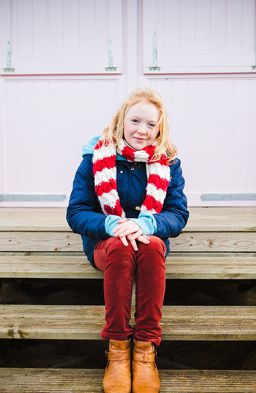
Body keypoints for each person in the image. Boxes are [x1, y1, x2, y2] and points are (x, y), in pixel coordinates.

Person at [67, 88, 189, 393]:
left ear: (160, 129)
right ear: (122, 120)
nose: (142, 131)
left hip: (149, 241)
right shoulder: (93, 159)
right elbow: (77, 212)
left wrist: (148, 223)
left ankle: (145, 349)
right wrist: (112, 223)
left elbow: (178, 213)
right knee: (122, 247)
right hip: (105, 243)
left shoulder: (169, 163)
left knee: (149, 246)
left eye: (151, 125)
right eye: (136, 121)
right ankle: (118, 348)